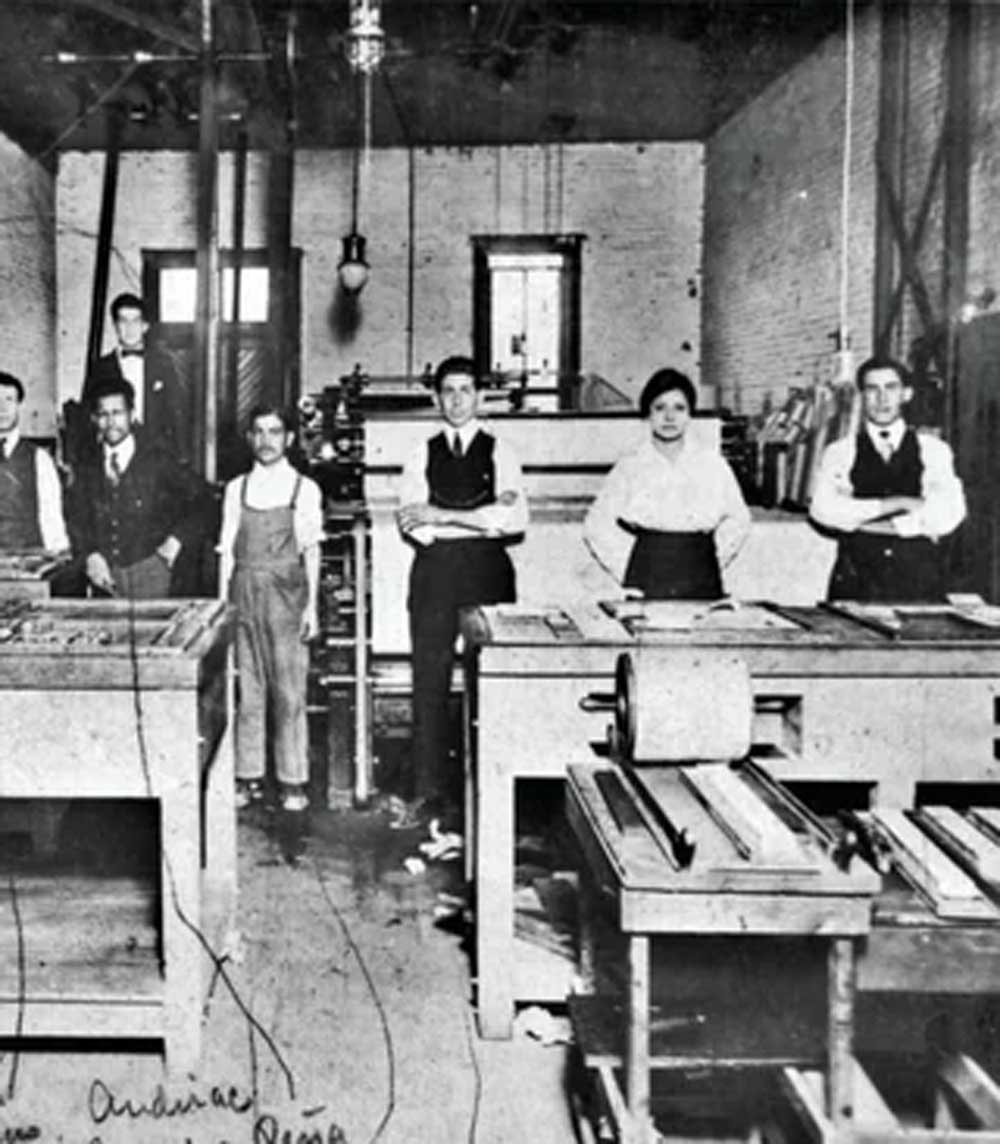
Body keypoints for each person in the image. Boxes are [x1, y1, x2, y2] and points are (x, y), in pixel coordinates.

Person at [397, 355, 527, 823]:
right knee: (428, 683)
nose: (456, 400)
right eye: (448, 391)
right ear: (436, 398)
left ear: (481, 396)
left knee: (489, 682)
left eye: (465, 390)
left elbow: (512, 520)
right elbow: (415, 525)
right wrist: (479, 518)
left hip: (487, 574)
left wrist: (445, 514)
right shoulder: (420, 453)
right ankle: (429, 793)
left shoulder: (501, 452)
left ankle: (490, 791)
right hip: (434, 574)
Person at [218, 404, 323, 813]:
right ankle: (248, 776)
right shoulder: (236, 489)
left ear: (289, 439)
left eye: (275, 432)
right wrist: (221, 606)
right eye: (258, 432)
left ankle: (293, 780)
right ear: (249, 438)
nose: (266, 441)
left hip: (287, 597)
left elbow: (310, 551)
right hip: (244, 592)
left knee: (290, 691)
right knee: (249, 689)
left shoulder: (304, 489)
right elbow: (226, 551)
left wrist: (311, 608)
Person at [810, 355, 966, 603]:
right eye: (873, 389)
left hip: (918, 582)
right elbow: (823, 510)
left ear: (907, 394)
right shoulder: (840, 451)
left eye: (891, 388)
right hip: (857, 581)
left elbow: (948, 514)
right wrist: (900, 503)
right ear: (862, 396)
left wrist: (866, 524)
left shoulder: (934, 450)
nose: (882, 399)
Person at [584, 368, 750, 599]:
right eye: (660, 407)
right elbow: (596, 524)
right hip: (648, 570)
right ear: (648, 414)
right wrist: (629, 565)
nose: (669, 417)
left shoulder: (712, 464)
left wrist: (709, 558)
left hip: (701, 571)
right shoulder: (630, 466)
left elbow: (739, 519)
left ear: (690, 414)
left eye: (679, 408)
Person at [67, 378, 213, 599]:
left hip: (152, 574)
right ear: (94, 419)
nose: (111, 422)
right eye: (103, 415)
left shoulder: (159, 459)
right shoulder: (86, 465)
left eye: (117, 413)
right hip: (104, 579)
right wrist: (90, 555)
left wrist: (176, 540)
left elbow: (204, 501)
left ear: (132, 415)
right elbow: (77, 519)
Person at [82, 292, 188, 461]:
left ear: (145, 326)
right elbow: (88, 413)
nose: (130, 328)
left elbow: (177, 412)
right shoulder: (100, 368)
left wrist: (181, 456)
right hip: (114, 451)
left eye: (135, 321)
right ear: (116, 325)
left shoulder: (163, 364)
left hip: (157, 454)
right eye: (123, 321)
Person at [0, 371, 69, 553]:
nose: (2, 408)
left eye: (9, 400)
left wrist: (58, 554)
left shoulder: (39, 459)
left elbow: (51, 516)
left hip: (27, 566)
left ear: (19, 406)